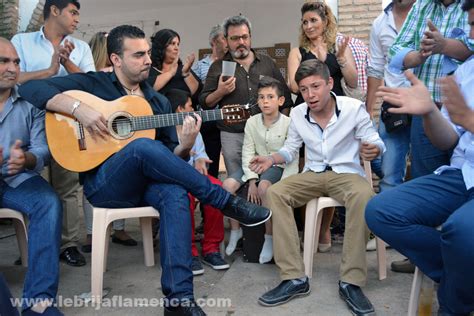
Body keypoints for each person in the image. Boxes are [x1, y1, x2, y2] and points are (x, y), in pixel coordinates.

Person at [19, 24, 270, 316]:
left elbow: (167, 158)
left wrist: (185, 146)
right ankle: (225, 201)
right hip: (105, 185)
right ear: (116, 59)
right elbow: (30, 88)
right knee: (139, 148)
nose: (148, 61)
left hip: (146, 187)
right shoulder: (95, 85)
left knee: (175, 192)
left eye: (149, 54)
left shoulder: (158, 102)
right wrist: (78, 109)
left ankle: (179, 301)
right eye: (138, 55)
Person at [250, 59, 385, 315]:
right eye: (303, 89)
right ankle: (294, 278)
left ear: (329, 83)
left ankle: (351, 281)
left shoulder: (353, 108)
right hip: (313, 173)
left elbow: (375, 140)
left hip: (346, 173)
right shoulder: (299, 112)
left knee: (364, 194)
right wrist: (271, 159)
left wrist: (373, 148)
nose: (310, 95)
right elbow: (290, 149)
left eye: (315, 87)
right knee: (276, 192)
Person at [366, 2, 474, 311]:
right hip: (462, 174)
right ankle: (461, 272)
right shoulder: (466, 70)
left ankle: (454, 301)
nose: (470, 34)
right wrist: (429, 112)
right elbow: (450, 139)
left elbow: (465, 124)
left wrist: (469, 120)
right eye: (470, 25)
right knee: (380, 211)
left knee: (460, 229)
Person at [11, 0, 95, 267]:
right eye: (73, 12)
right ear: (54, 11)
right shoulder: (21, 41)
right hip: (28, 123)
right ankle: (36, 243)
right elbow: (11, 77)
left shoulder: (80, 47)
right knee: (32, 184)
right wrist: (48, 70)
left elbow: (92, 86)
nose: (77, 20)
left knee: (67, 186)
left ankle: (68, 245)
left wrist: (66, 62)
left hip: (68, 124)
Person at [0, 37, 63, 316]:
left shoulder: (30, 101)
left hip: (17, 179)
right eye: (4, 61)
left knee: (48, 202)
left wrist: (26, 158)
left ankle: (39, 303)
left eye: (15, 62)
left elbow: (42, 149)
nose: (12, 68)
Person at [199, 15, 293, 181]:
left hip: (266, 133)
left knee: (267, 180)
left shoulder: (267, 62)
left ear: (250, 37)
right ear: (226, 41)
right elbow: (205, 102)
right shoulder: (218, 66)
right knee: (238, 182)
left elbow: (284, 95)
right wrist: (220, 91)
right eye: (235, 38)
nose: (240, 42)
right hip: (232, 134)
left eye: (244, 37)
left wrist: (281, 128)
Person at [222, 77, 298, 264]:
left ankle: (269, 237)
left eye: (270, 97)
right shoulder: (252, 122)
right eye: (261, 97)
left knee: (265, 187)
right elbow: (248, 151)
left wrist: (285, 183)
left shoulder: (289, 123)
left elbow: (291, 156)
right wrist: (251, 181)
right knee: (227, 185)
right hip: (253, 165)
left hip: (276, 166)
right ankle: (235, 230)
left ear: (280, 101)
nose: (265, 101)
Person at [364, 0, 416, 254]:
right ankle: (387, 235)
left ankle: (420, 235)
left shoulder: (427, 13)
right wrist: (367, 113)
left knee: (425, 172)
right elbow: (375, 68)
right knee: (388, 172)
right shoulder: (379, 24)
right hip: (392, 108)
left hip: (426, 105)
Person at [82, 30, 136, 253]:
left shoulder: (124, 76)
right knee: (92, 177)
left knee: (123, 178)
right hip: (94, 135)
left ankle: (119, 228)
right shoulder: (92, 76)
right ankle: (91, 232)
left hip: (119, 133)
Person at [165, 88, 229, 276]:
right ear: (179, 109)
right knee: (184, 197)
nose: (193, 110)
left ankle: (211, 248)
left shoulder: (194, 129)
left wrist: (200, 159)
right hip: (174, 181)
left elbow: (201, 156)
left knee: (216, 188)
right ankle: (189, 251)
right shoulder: (162, 132)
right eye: (190, 106)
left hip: (194, 176)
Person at [287, 1, 357, 106]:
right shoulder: (296, 53)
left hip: (336, 108)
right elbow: (295, 88)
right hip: (307, 109)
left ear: (325, 22)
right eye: (305, 22)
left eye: (313, 20)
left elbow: (353, 83)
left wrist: (342, 60)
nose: (308, 26)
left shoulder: (339, 48)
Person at [192, 24, 228, 178]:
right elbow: (194, 95)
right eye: (223, 38)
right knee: (210, 161)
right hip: (208, 121)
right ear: (214, 41)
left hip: (229, 117)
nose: (227, 41)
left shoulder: (230, 65)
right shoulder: (200, 66)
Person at [148, 29, 201, 105]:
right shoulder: (148, 70)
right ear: (161, 46)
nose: (176, 48)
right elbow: (147, 90)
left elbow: (199, 97)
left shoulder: (183, 69)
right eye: (172, 44)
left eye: (178, 44)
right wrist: (171, 73)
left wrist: (186, 74)